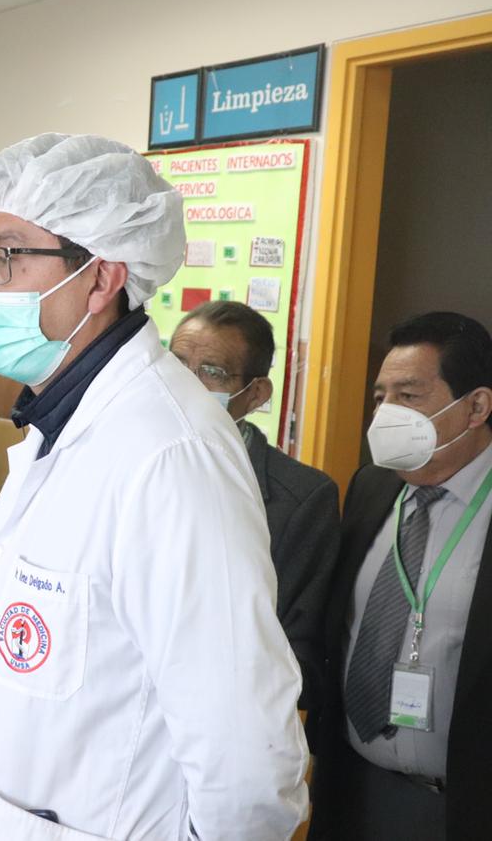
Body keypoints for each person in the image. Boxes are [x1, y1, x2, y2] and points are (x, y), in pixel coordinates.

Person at [0, 134, 308, 840]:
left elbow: (248, 758)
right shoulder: (58, 422)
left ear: (99, 279)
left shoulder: (172, 453)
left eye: (7, 256)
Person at [309, 312, 492, 840]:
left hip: (462, 807)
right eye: (380, 396)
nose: (386, 414)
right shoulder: (370, 487)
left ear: (475, 406)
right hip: (351, 787)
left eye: (408, 396)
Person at [170, 300, 339, 715]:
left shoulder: (302, 498)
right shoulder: (123, 461)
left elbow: (298, 648)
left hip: (222, 714)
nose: (187, 386)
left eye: (211, 372)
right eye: (175, 366)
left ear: (256, 393)